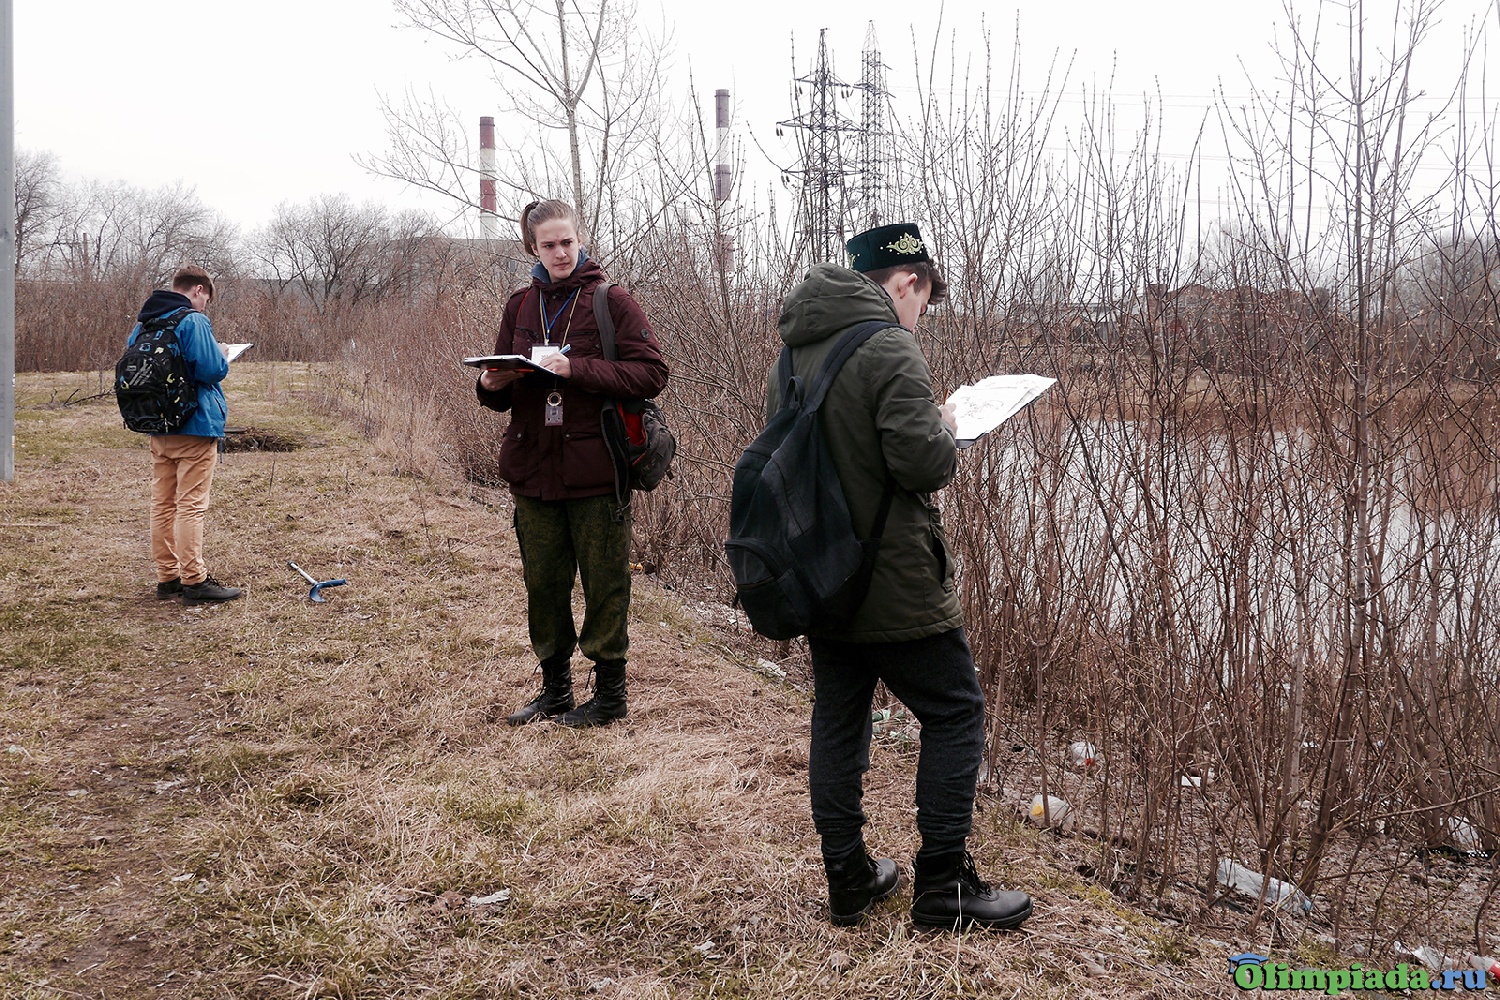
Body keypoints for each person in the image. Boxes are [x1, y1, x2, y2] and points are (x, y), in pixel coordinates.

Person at [768, 223, 1033, 931]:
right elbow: (922, 465)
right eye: (923, 300)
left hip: (820, 570)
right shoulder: (890, 346)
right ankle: (943, 885)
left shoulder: (793, 351)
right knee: (955, 711)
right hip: (893, 578)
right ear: (908, 281)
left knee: (839, 713)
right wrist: (945, 425)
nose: (920, 316)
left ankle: (848, 877)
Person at [476, 199, 669, 728]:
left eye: (567, 242)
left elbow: (652, 373)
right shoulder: (520, 305)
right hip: (532, 470)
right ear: (531, 248)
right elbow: (498, 392)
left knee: (605, 585)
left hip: (597, 471)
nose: (560, 253)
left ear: (580, 239)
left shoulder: (612, 300)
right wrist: (490, 383)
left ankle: (609, 696)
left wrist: (576, 368)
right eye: (548, 245)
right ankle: (555, 691)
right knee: (543, 585)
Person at [130, 265, 242, 606]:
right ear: (198, 290)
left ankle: (168, 578)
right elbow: (211, 370)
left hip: (157, 425)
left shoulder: (144, 323)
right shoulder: (193, 321)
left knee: (162, 504)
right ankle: (195, 581)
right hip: (194, 426)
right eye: (206, 298)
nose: (205, 304)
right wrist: (222, 354)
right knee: (191, 506)